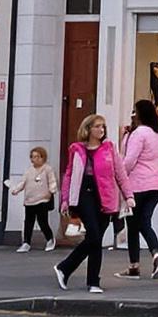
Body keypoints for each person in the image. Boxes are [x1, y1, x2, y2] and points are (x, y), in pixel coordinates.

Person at [52, 114, 126, 294]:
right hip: (84, 194)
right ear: (88, 129)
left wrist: (128, 195)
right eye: (97, 126)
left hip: (105, 195)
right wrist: (65, 200)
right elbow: (69, 174)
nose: (101, 130)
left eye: (103, 127)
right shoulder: (77, 149)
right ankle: (66, 268)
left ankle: (91, 280)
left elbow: (120, 173)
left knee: (95, 239)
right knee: (93, 234)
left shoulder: (109, 148)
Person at [118, 100, 158, 280]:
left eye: (134, 111)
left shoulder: (140, 133)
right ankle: (142, 262)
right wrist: (157, 173)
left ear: (140, 114)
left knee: (136, 224)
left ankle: (148, 259)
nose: (132, 115)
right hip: (156, 185)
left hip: (137, 185)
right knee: (142, 221)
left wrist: (120, 179)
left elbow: (129, 160)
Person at [12, 146, 57, 253]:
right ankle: (26, 242)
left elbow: (52, 181)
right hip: (29, 201)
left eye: (38, 157)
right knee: (28, 222)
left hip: (43, 200)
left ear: (43, 157)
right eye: (33, 157)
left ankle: (50, 239)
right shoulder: (29, 171)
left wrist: (52, 189)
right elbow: (23, 182)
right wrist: (16, 189)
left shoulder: (47, 169)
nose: (35, 159)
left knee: (42, 222)